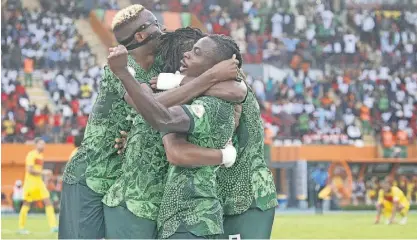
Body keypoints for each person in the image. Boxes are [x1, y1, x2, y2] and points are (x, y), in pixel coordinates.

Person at [108, 35, 243, 239]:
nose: (186, 55)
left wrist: (123, 73)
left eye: (196, 52)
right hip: (177, 214)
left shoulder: (212, 105)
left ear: (216, 67)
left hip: (190, 216)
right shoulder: (202, 97)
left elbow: (165, 122)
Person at [18, 138, 58, 234]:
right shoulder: (31, 155)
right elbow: (30, 170)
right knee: (26, 204)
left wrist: (44, 180)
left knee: (48, 202)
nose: (43, 146)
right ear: (36, 145)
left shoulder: (41, 156)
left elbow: (38, 171)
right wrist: (44, 172)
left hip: (39, 183)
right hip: (30, 183)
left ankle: (53, 226)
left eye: (44, 144)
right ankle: (21, 228)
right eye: (41, 144)